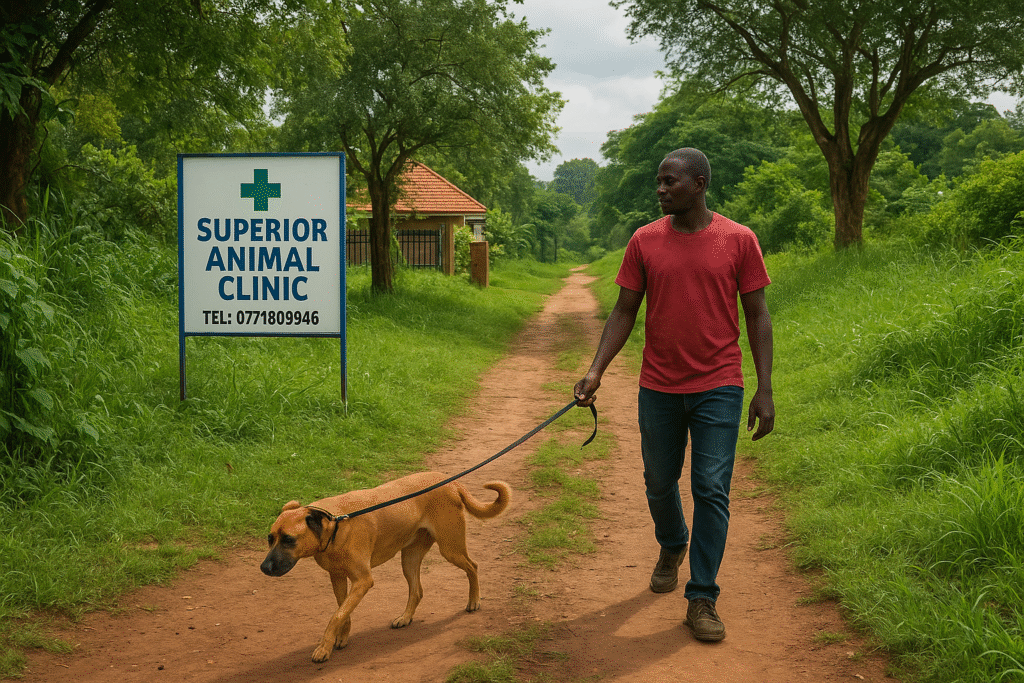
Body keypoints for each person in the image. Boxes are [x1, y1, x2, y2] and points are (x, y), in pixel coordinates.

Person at [574, 147, 775, 642]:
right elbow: (624, 310)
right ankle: (672, 542)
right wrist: (596, 369)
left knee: (710, 488)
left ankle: (702, 596)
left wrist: (765, 389)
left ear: (700, 184)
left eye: (670, 182)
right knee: (659, 482)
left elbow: (757, 316)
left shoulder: (739, 240)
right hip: (659, 385)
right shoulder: (644, 241)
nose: (660, 190)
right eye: (658, 182)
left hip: (720, 386)